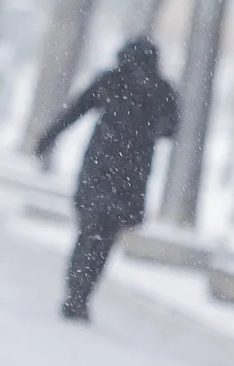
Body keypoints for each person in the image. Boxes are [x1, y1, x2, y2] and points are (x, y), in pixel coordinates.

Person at [34, 37, 180, 322]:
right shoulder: (161, 90)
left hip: (99, 169)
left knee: (87, 233)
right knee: (104, 242)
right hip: (131, 177)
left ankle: (74, 293)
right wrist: (147, 127)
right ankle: (83, 294)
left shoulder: (113, 81)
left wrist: (48, 137)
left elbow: (75, 110)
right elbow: (171, 128)